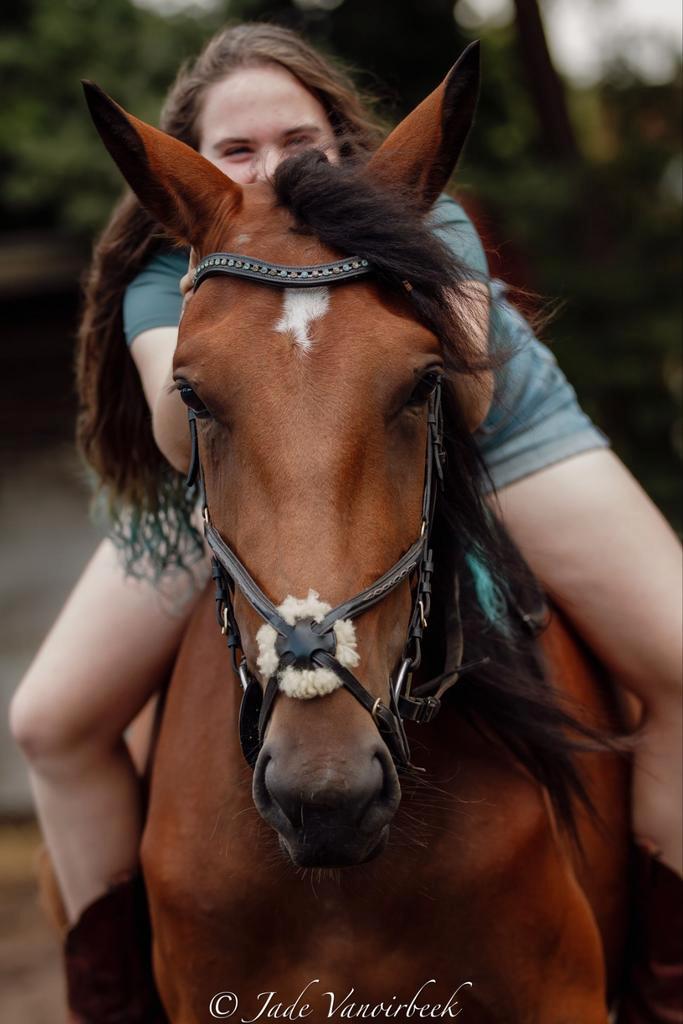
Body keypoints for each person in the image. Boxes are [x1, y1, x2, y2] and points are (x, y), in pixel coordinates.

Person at [9, 21, 681, 1021]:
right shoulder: (171, 269)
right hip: (243, 458)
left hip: (484, 431)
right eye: (236, 150)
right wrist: (221, 294)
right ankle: (116, 1003)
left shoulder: (422, 220)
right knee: (49, 721)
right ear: (194, 166)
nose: (271, 166)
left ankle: (663, 990)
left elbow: (467, 395)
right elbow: (178, 433)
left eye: (298, 141)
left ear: (343, 145)